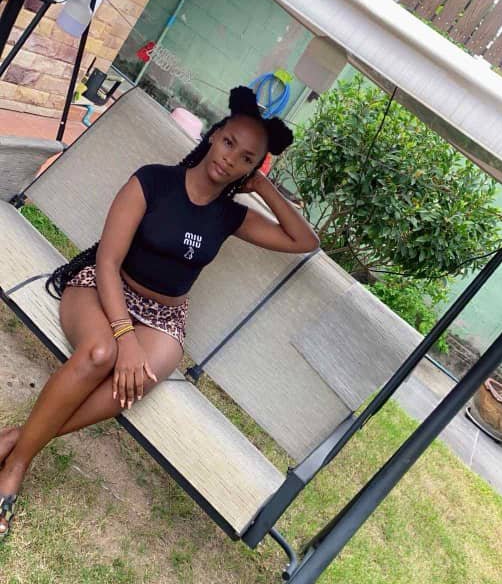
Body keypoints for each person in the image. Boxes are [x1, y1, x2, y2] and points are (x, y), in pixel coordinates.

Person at [0, 85, 319, 539]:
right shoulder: (153, 182)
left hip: (164, 318)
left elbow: (304, 241)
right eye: (229, 143)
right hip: (104, 288)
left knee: (135, 380)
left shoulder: (230, 217)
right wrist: (124, 337)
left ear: (251, 168)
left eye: (246, 158)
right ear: (214, 135)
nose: (230, 159)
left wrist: (262, 186)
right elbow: (107, 261)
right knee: (101, 355)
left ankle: (17, 441)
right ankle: (15, 468)